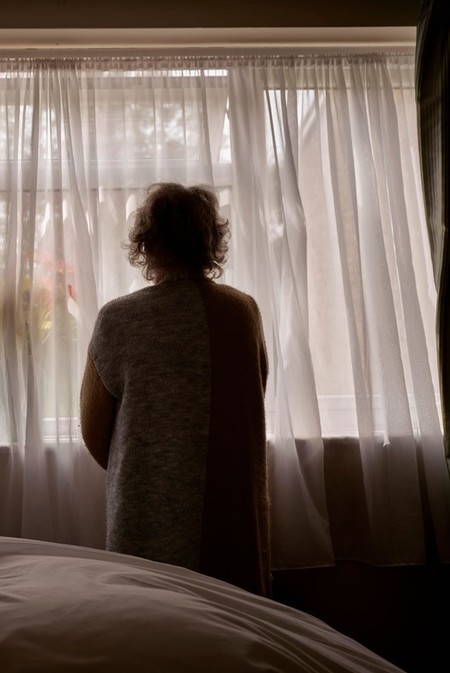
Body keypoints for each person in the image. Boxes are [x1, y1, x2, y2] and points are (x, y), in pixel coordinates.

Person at [80, 182, 271, 596]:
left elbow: (95, 431)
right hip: (230, 508)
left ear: (147, 244)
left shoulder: (118, 319)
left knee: (151, 626)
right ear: (211, 243)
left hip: (145, 508)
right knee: (237, 627)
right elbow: (255, 391)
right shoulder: (243, 312)